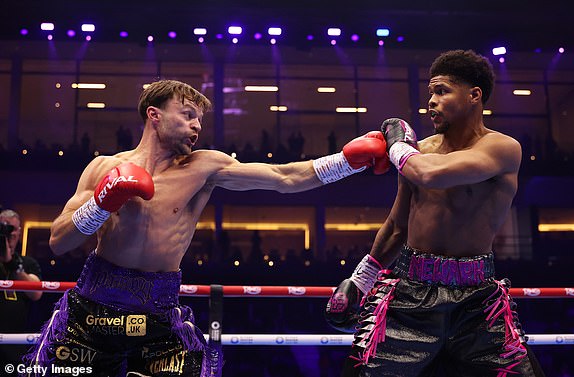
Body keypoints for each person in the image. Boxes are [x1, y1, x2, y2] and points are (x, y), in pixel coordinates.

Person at [22, 79, 390, 377]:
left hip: (157, 313)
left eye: (200, 118)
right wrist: (101, 203)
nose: (197, 126)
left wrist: (345, 162)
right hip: (93, 307)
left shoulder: (204, 167)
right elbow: (58, 240)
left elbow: (284, 177)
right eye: (188, 115)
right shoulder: (102, 167)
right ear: (154, 115)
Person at [326, 50, 545, 376]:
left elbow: (431, 174)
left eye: (442, 91)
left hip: (478, 304)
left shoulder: (502, 148)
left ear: (474, 95)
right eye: (430, 92)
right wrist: (360, 280)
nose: (431, 101)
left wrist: (398, 144)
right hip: (409, 295)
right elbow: (398, 225)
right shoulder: (419, 152)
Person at [0, 209, 43, 365]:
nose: (7, 233)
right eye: (2, 228)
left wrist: (12, 264)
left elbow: (36, 293)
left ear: (18, 232)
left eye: (11, 229)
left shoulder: (27, 263)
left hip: (18, 341)